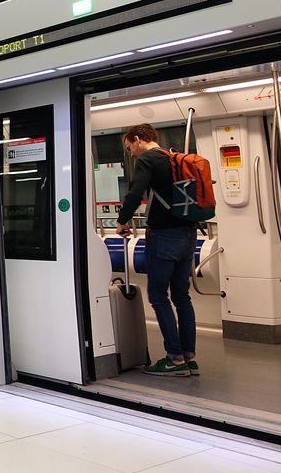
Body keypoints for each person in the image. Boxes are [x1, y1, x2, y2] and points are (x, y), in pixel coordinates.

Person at [116, 123, 198, 377]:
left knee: (158, 296)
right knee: (182, 297)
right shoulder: (174, 159)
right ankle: (189, 357)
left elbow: (135, 192)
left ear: (138, 139)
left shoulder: (148, 159)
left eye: (130, 148)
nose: (131, 154)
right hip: (188, 234)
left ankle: (174, 359)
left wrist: (122, 221)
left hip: (164, 236)